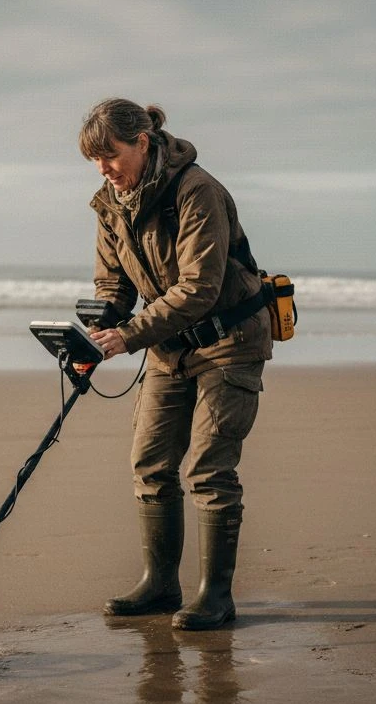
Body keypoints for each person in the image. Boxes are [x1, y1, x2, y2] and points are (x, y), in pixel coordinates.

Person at [78, 98, 272, 630]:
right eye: (94, 160)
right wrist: (96, 331)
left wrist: (129, 335)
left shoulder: (196, 191)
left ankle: (216, 596)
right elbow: (113, 284)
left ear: (142, 142)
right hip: (169, 346)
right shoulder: (109, 202)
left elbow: (199, 288)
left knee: (210, 470)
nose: (103, 169)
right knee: (150, 462)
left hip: (229, 340)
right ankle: (160, 584)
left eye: (110, 155)